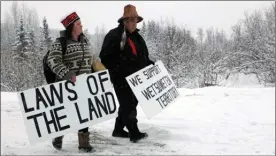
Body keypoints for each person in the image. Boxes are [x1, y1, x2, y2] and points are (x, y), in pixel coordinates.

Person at [47, 11, 105, 152]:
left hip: (83, 85)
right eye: (78, 24)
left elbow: (92, 60)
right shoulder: (60, 43)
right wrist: (67, 74)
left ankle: (84, 144)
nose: (81, 26)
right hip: (66, 86)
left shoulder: (84, 41)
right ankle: (58, 136)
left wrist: (103, 73)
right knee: (66, 114)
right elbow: (52, 60)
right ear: (71, 27)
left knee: (84, 113)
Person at [99, 4, 154, 143]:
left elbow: (142, 56)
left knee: (131, 103)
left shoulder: (137, 37)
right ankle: (134, 132)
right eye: (131, 20)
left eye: (135, 21)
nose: (134, 23)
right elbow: (105, 57)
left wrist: (149, 63)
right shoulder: (114, 35)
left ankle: (118, 129)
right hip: (121, 78)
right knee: (127, 103)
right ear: (124, 21)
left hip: (137, 78)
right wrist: (121, 68)